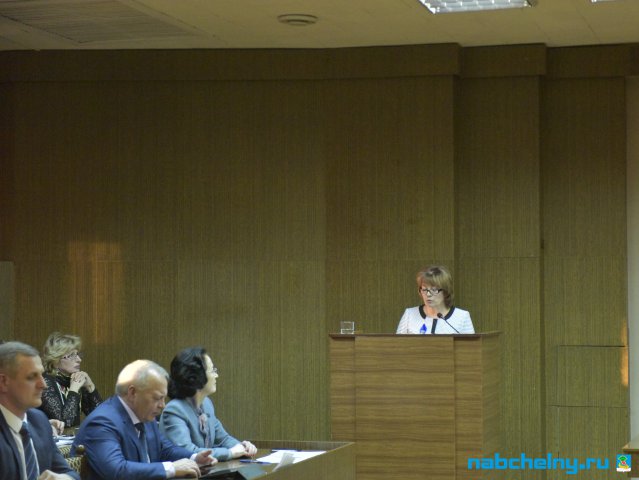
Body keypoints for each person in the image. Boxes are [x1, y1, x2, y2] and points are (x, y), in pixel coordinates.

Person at [72, 359, 216, 480]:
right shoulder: (102, 422)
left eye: (164, 398)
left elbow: (164, 449)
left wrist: (194, 457)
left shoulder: (144, 414)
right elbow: (116, 470)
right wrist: (171, 468)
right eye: (157, 398)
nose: (163, 405)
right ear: (132, 393)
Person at [0, 341, 80, 480]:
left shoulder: (39, 421)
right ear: (3, 382)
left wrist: (63, 478)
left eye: (41, 375)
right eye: (32, 377)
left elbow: (69, 473)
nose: (43, 384)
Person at [160, 347, 257, 460]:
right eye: (212, 371)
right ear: (195, 377)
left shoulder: (206, 404)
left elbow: (223, 439)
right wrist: (230, 453)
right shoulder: (174, 410)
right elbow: (187, 451)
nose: (216, 375)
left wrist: (242, 447)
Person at [39, 332, 102, 427]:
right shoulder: (45, 383)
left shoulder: (72, 380)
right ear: (56, 360)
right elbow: (65, 424)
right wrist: (74, 390)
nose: (79, 360)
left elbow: (100, 419)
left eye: (78, 354)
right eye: (72, 356)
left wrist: (90, 387)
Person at [396, 265, 475, 334]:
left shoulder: (462, 317)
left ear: (446, 291)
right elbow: (397, 345)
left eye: (434, 290)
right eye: (424, 289)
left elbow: (471, 346)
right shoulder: (409, 315)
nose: (428, 294)